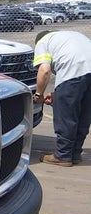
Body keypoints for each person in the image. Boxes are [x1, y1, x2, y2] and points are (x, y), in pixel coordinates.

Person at [32, 30, 91, 167]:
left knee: (66, 116)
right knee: (84, 114)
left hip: (73, 72)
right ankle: (75, 154)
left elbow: (45, 70)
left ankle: (63, 156)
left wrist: (39, 94)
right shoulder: (70, 36)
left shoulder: (42, 42)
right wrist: (57, 95)